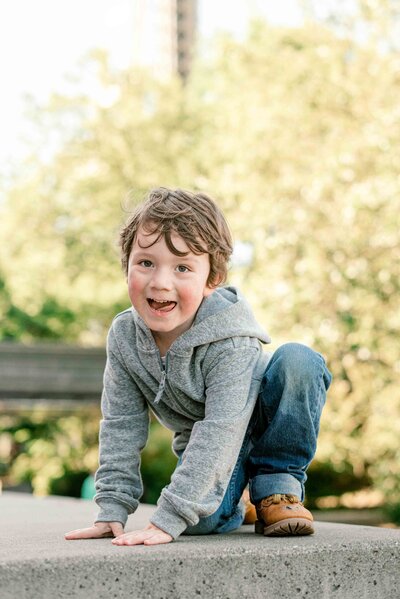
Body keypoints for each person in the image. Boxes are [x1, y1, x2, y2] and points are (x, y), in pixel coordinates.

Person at [65, 187, 332, 546]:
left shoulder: (230, 338)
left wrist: (169, 517)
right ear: (126, 264)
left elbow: (222, 428)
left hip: (252, 427)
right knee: (200, 522)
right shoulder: (125, 336)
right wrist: (111, 510)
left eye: (183, 267)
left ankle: (275, 489)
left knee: (300, 360)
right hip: (209, 447)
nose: (161, 282)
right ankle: (241, 498)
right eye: (146, 263)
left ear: (212, 279)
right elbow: (120, 424)